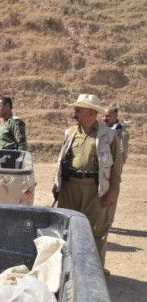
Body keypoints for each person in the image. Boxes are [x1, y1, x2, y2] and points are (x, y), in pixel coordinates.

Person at [52, 94, 123, 271]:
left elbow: (116, 169)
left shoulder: (109, 135)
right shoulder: (70, 133)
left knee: (96, 233)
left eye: (78, 110)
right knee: (66, 230)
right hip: (70, 188)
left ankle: (94, 274)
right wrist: (57, 183)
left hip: (95, 191)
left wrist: (112, 192)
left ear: (92, 113)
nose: (74, 113)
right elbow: (62, 160)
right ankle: (68, 271)